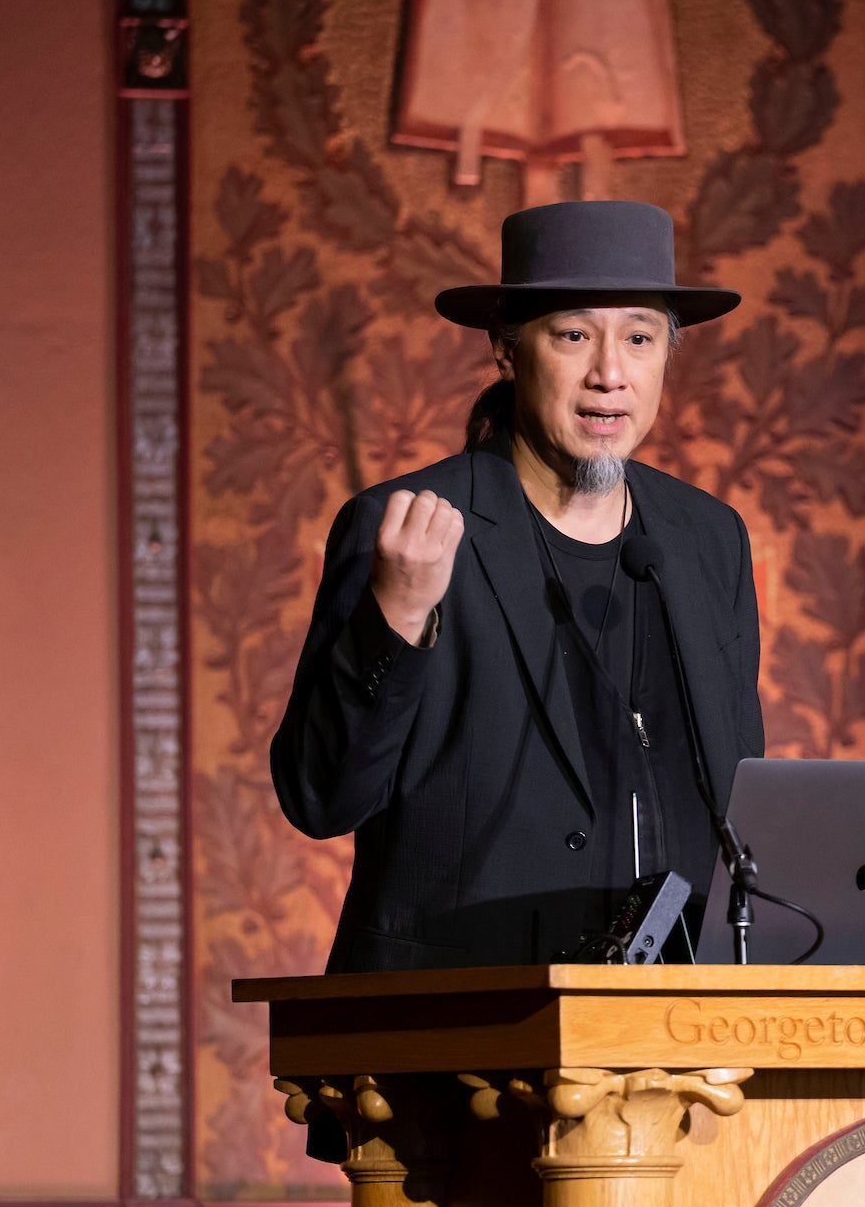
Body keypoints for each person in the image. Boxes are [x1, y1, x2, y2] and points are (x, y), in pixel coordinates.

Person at [269, 199, 762, 974]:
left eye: (638, 338)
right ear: (507, 348)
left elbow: (739, 796)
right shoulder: (408, 526)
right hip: (453, 1017)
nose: (610, 374)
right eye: (573, 336)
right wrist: (395, 618)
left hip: (663, 1031)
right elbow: (320, 798)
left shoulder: (707, 540)